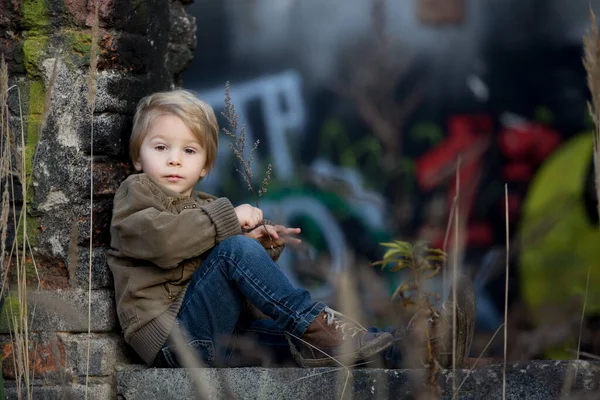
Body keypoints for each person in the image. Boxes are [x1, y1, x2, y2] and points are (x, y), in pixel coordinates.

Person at [106, 89, 476, 369]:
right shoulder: (135, 194)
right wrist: (233, 230)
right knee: (239, 257)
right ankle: (317, 322)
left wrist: (258, 249)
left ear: (205, 165)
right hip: (174, 341)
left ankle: (415, 351)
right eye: (160, 147)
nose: (174, 158)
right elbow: (163, 241)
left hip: (223, 336)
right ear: (138, 157)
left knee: (304, 345)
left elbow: (225, 285)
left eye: (189, 151)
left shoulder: (204, 205)